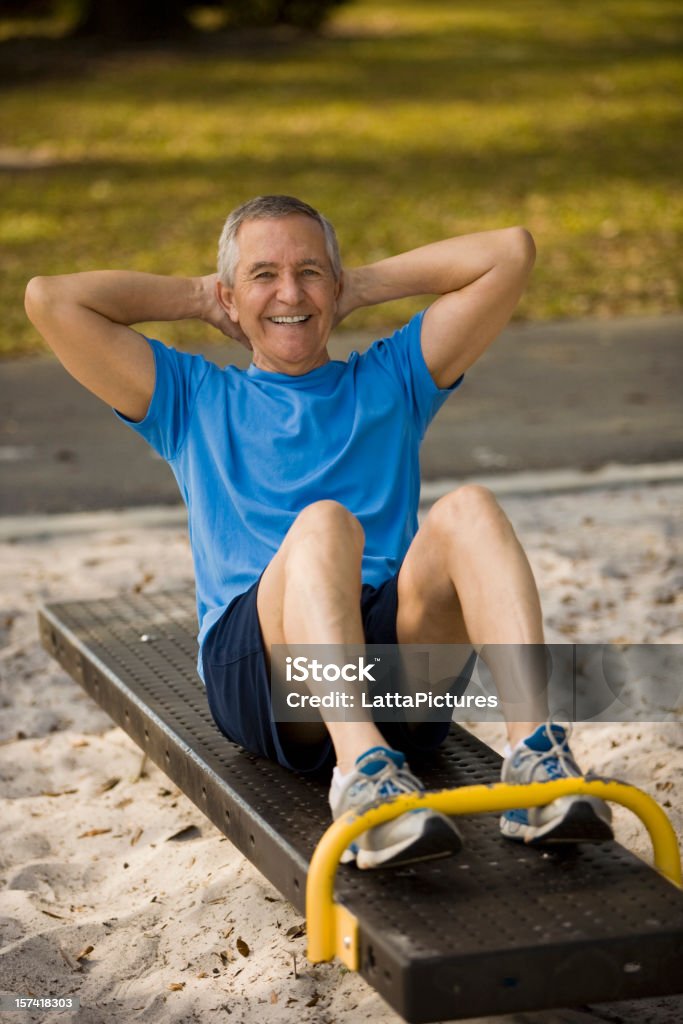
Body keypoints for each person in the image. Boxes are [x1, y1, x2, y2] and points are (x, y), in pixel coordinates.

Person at [25, 194, 613, 870]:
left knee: (470, 508)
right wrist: (199, 296)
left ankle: (536, 759)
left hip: (391, 670)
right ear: (230, 296)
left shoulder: (392, 379)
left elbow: (508, 252)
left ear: (335, 287)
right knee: (325, 524)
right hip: (267, 680)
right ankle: (361, 774)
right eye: (263, 275)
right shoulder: (191, 399)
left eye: (309, 272)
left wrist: (357, 284)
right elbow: (51, 300)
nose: (289, 292)